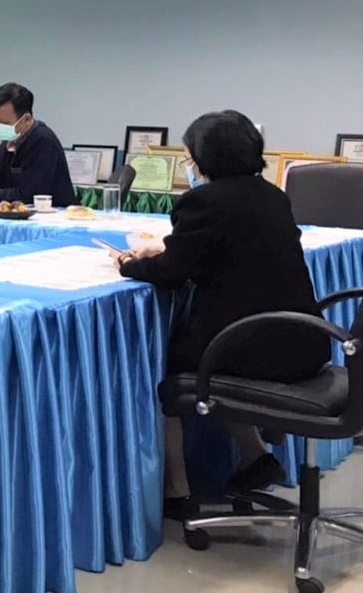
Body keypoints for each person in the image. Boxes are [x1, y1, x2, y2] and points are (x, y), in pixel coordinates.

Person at [114, 110, 328, 518]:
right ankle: (254, 456)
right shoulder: (273, 196)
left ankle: (177, 492)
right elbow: (234, 248)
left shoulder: (203, 201)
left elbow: (171, 274)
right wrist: (169, 250)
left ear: (204, 157)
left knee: (170, 363)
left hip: (253, 346)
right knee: (211, 349)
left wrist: (129, 265)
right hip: (307, 340)